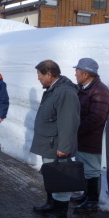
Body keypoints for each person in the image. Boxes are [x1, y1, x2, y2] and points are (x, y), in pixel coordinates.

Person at [31, 60, 80, 217]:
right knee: (51, 175)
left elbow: (68, 123)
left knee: (60, 180)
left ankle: (60, 212)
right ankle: (51, 204)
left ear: (49, 74)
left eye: (39, 75)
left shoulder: (65, 92)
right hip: (49, 144)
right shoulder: (53, 89)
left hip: (57, 146)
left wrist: (64, 148)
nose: (38, 78)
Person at [70, 58, 109, 213]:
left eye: (77, 71)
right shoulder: (84, 88)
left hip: (92, 139)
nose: (75, 74)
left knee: (92, 169)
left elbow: (97, 117)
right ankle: (86, 195)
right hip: (82, 137)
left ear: (85, 74)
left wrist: (77, 129)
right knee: (84, 167)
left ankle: (92, 201)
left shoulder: (100, 90)